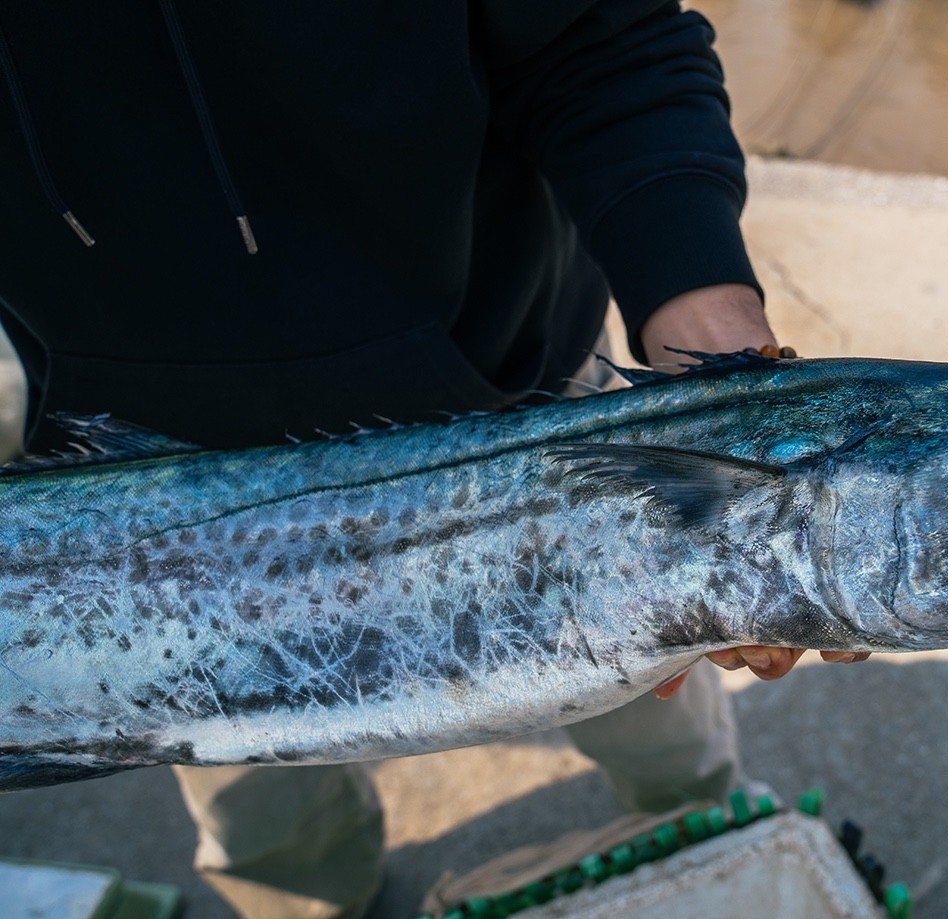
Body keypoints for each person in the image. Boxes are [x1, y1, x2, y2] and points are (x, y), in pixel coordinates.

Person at [0, 3, 864, 916]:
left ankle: (707, 836)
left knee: (669, 740)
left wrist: (719, 362)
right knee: (272, 829)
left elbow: (600, 38)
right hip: (135, 510)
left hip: (533, 438)